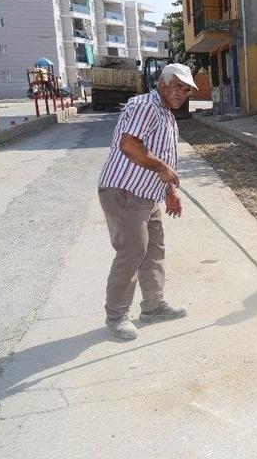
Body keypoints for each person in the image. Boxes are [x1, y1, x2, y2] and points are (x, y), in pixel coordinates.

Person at [97, 63, 197, 340]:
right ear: (162, 83)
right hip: (125, 191)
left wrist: (169, 191)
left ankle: (153, 307)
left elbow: (163, 156)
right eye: (178, 85)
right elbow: (129, 145)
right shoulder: (145, 105)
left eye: (187, 89)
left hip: (147, 194)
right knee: (132, 252)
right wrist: (163, 171)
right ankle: (116, 315)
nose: (183, 92)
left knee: (153, 250)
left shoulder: (167, 116)